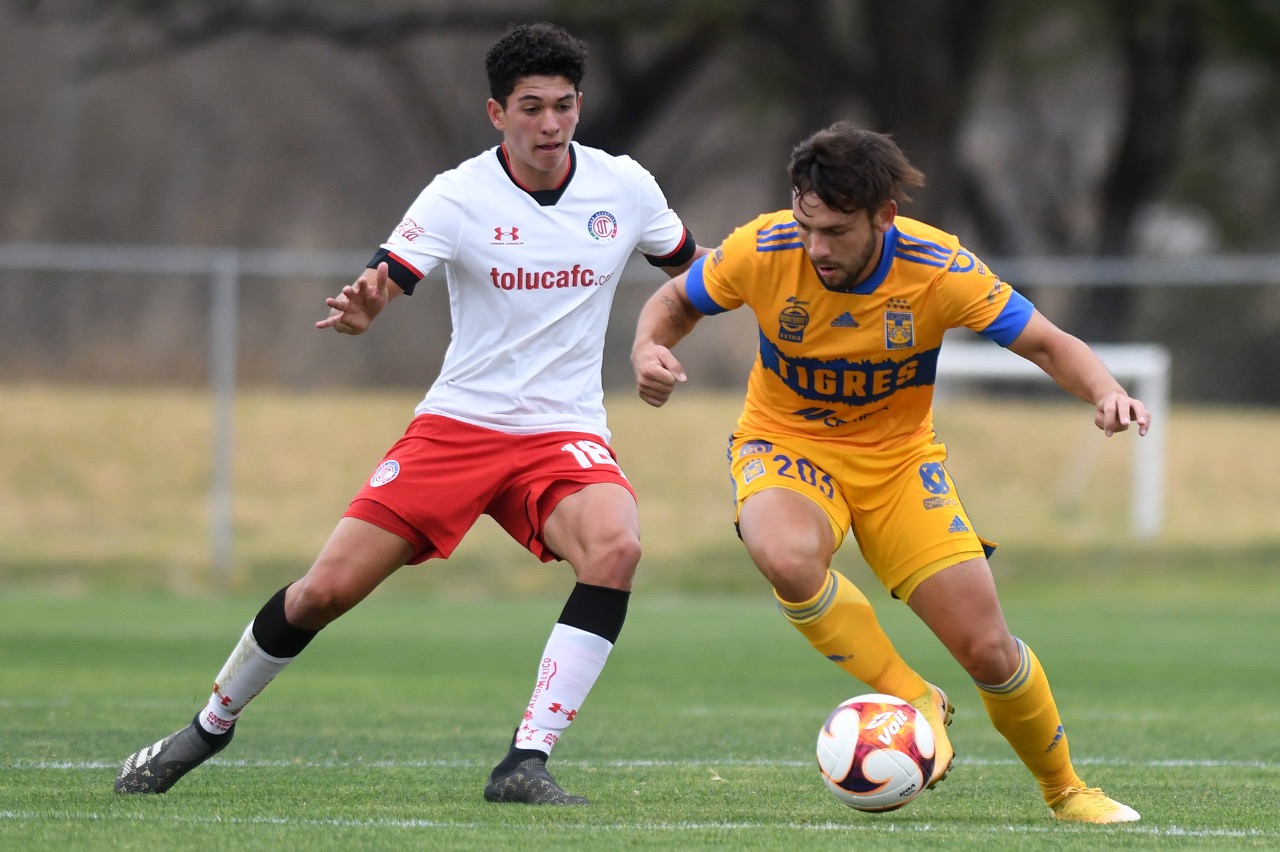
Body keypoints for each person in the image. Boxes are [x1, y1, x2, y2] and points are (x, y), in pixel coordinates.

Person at [115, 22, 706, 806]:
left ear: (580, 105)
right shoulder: (458, 194)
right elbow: (387, 276)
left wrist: (650, 344)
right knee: (322, 592)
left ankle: (525, 761)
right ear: (497, 113)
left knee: (617, 548)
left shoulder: (624, 186)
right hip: (458, 428)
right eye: (531, 107)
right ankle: (209, 725)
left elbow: (697, 277)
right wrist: (368, 305)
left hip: (564, 433)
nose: (551, 124)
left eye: (563, 106)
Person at [631, 121, 1148, 824]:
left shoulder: (939, 268)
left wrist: (1106, 392)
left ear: (884, 218)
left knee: (989, 650)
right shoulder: (763, 246)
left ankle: (1067, 791)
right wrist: (646, 349)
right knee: (783, 554)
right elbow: (673, 303)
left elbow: (1048, 344)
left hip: (901, 464)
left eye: (836, 231)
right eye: (807, 224)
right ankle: (913, 696)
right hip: (786, 446)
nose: (816, 247)